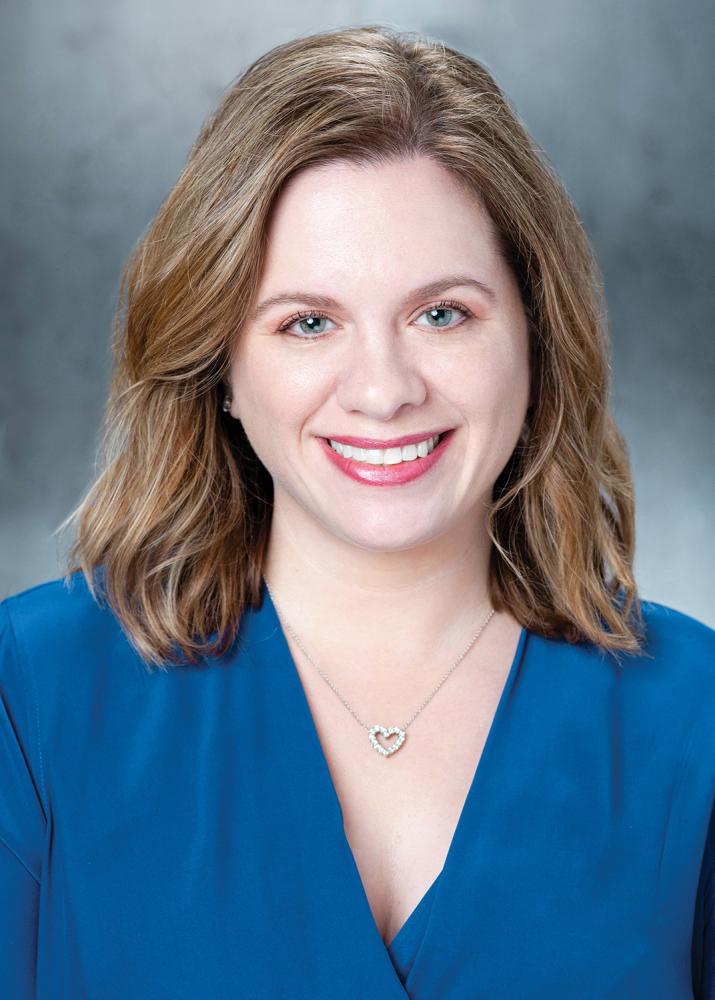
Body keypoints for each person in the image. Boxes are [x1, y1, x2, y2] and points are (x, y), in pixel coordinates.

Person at [1, 24, 713, 1000]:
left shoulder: (694, 721)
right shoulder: (32, 696)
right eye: (308, 322)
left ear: (536, 338)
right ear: (221, 368)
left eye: (441, 313)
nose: (381, 391)